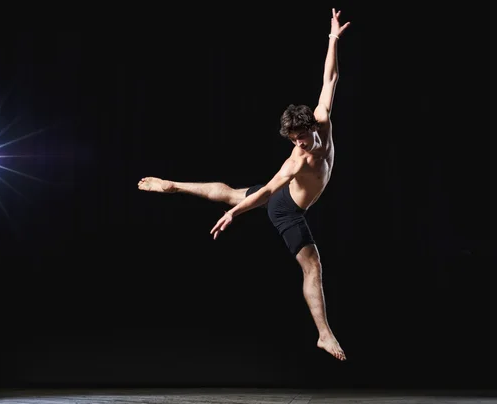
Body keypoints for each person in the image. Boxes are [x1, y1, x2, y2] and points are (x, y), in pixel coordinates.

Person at [138, 8, 351, 361]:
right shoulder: (295, 161)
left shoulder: (322, 119)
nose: (298, 143)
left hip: (283, 198)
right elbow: (269, 191)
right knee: (312, 265)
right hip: (287, 209)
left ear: (311, 127)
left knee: (233, 191)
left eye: (301, 136)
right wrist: (234, 215)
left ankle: (174, 185)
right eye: (293, 139)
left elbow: (330, 79)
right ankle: (324, 335)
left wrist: (332, 39)